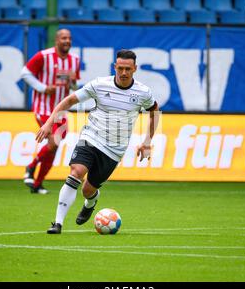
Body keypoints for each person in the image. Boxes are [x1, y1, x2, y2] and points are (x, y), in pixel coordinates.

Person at [36, 49, 160, 234]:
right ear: (114, 67)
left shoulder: (143, 92)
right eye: (120, 68)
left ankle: (90, 203)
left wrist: (148, 141)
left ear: (135, 68)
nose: (124, 73)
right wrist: (49, 123)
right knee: (76, 172)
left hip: (114, 149)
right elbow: (69, 100)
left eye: (128, 68)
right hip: (90, 138)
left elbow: (154, 112)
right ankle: (57, 223)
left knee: (87, 190)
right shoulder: (100, 84)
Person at [21, 28, 80, 194]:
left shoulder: (74, 60)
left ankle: (38, 183)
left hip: (61, 110)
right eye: (63, 38)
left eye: (69, 38)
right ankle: (31, 166)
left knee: (54, 145)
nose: (67, 41)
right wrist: (43, 88)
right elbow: (25, 73)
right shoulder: (44, 55)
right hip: (44, 107)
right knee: (54, 141)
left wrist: (73, 82)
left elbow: (74, 86)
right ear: (56, 40)